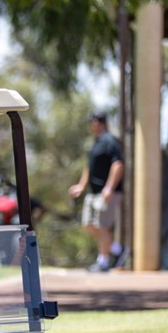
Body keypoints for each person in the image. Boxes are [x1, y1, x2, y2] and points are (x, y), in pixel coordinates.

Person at [69, 110, 124, 272]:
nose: (91, 126)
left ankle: (103, 262)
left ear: (98, 122)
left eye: (92, 122)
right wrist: (80, 186)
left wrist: (109, 187)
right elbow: (89, 167)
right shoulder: (96, 142)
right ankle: (116, 249)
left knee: (103, 226)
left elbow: (118, 165)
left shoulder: (110, 141)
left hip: (106, 193)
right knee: (88, 224)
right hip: (93, 192)